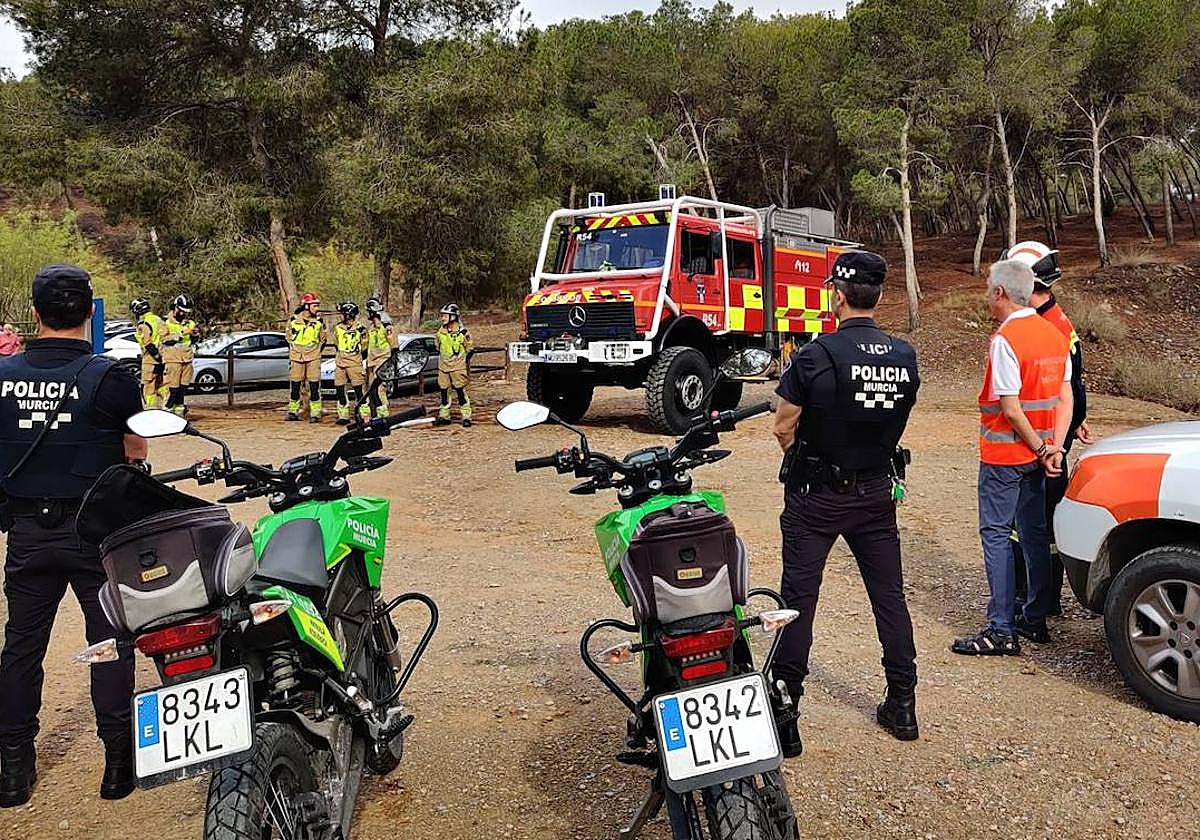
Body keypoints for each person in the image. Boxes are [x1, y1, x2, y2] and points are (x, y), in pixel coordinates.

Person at [0, 264, 147, 807]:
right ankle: (116, 767)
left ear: (35, 314)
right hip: (94, 534)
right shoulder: (110, 377)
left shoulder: (2, 374)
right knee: (108, 643)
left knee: (20, 649)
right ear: (90, 312)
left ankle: (13, 773)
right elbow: (137, 454)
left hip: (26, 534)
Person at [771, 251, 922, 753]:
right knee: (889, 597)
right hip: (876, 491)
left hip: (817, 496)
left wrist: (811, 461)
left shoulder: (815, 355)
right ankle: (903, 703)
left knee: (798, 599)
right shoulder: (904, 356)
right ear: (878, 296)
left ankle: (787, 712)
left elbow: (782, 425)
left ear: (837, 295)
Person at [952, 259, 1073, 657]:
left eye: (990, 289)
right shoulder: (1055, 333)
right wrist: (1053, 447)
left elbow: (1011, 407)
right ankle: (1035, 615)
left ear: (1001, 293)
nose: (987, 296)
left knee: (997, 535)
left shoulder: (1006, 340)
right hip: (1041, 457)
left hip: (1007, 456)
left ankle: (1001, 628)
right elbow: (1064, 396)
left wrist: (1039, 447)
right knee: (1034, 531)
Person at [1002, 242, 1095, 616]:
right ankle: (1042, 597)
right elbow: (1073, 383)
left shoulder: (1044, 326)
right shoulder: (1058, 320)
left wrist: (1053, 443)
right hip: (1050, 439)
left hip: (1038, 443)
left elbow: (1059, 389)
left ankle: (1033, 600)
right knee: (1039, 525)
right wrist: (1077, 420)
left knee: (1029, 526)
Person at [287, 292, 327, 422]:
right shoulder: (293, 321)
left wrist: (316, 352)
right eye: (314, 305)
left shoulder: (319, 322)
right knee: (295, 386)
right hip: (296, 357)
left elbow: (323, 339)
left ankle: (315, 412)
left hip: (313, 357)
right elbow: (288, 338)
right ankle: (293, 411)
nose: (317, 308)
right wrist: (295, 352)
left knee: (314, 386)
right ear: (306, 306)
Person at [434, 303, 473, 428]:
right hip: (443, 368)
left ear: (453, 317)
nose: (443, 318)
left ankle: (466, 417)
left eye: (445, 315)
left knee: (461, 392)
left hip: (457, 368)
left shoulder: (463, 333)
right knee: (444, 392)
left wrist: (461, 362)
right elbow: (437, 347)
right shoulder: (440, 332)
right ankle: (444, 416)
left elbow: (470, 349)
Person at [333, 302, 369, 426]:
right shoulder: (338, 328)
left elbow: (365, 347)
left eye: (343, 314)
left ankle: (364, 414)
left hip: (355, 363)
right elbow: (336, 343)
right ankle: (343, 415)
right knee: (339, 389)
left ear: (349, 315)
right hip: (340, 362)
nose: (341, 316)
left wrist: (357, 358)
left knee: (359, 390)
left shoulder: (361, 329)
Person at [160, 294, 196, 416]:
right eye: (181, 311)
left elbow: (191, 340)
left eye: (186, 312)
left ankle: (179, 415)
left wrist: (195, 335)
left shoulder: (189, 323)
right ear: (176, 307)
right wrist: (181, 333)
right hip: (172, 360)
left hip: (187, 359)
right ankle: (168, 413)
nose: (183, 314)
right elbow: (164, 339)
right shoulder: (165, 322)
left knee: (182, 390)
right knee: (172, 390)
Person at [130, 297, 166, 407]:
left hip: (151, 359)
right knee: (161, 385)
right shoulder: (158, 320)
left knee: (148, 386)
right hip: (164, 357)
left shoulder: (144, 324)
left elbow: (147, 343)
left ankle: (151, 410)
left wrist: (156, 356)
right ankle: (170, 405)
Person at [364, 299, 397, 419]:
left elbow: (394, 346)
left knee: (380, 390)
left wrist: (391, 363)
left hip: (383, 361)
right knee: (371, 390)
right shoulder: (371, 328)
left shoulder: (387, 327)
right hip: (372, 362)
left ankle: (384, 415)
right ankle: (376, 414)